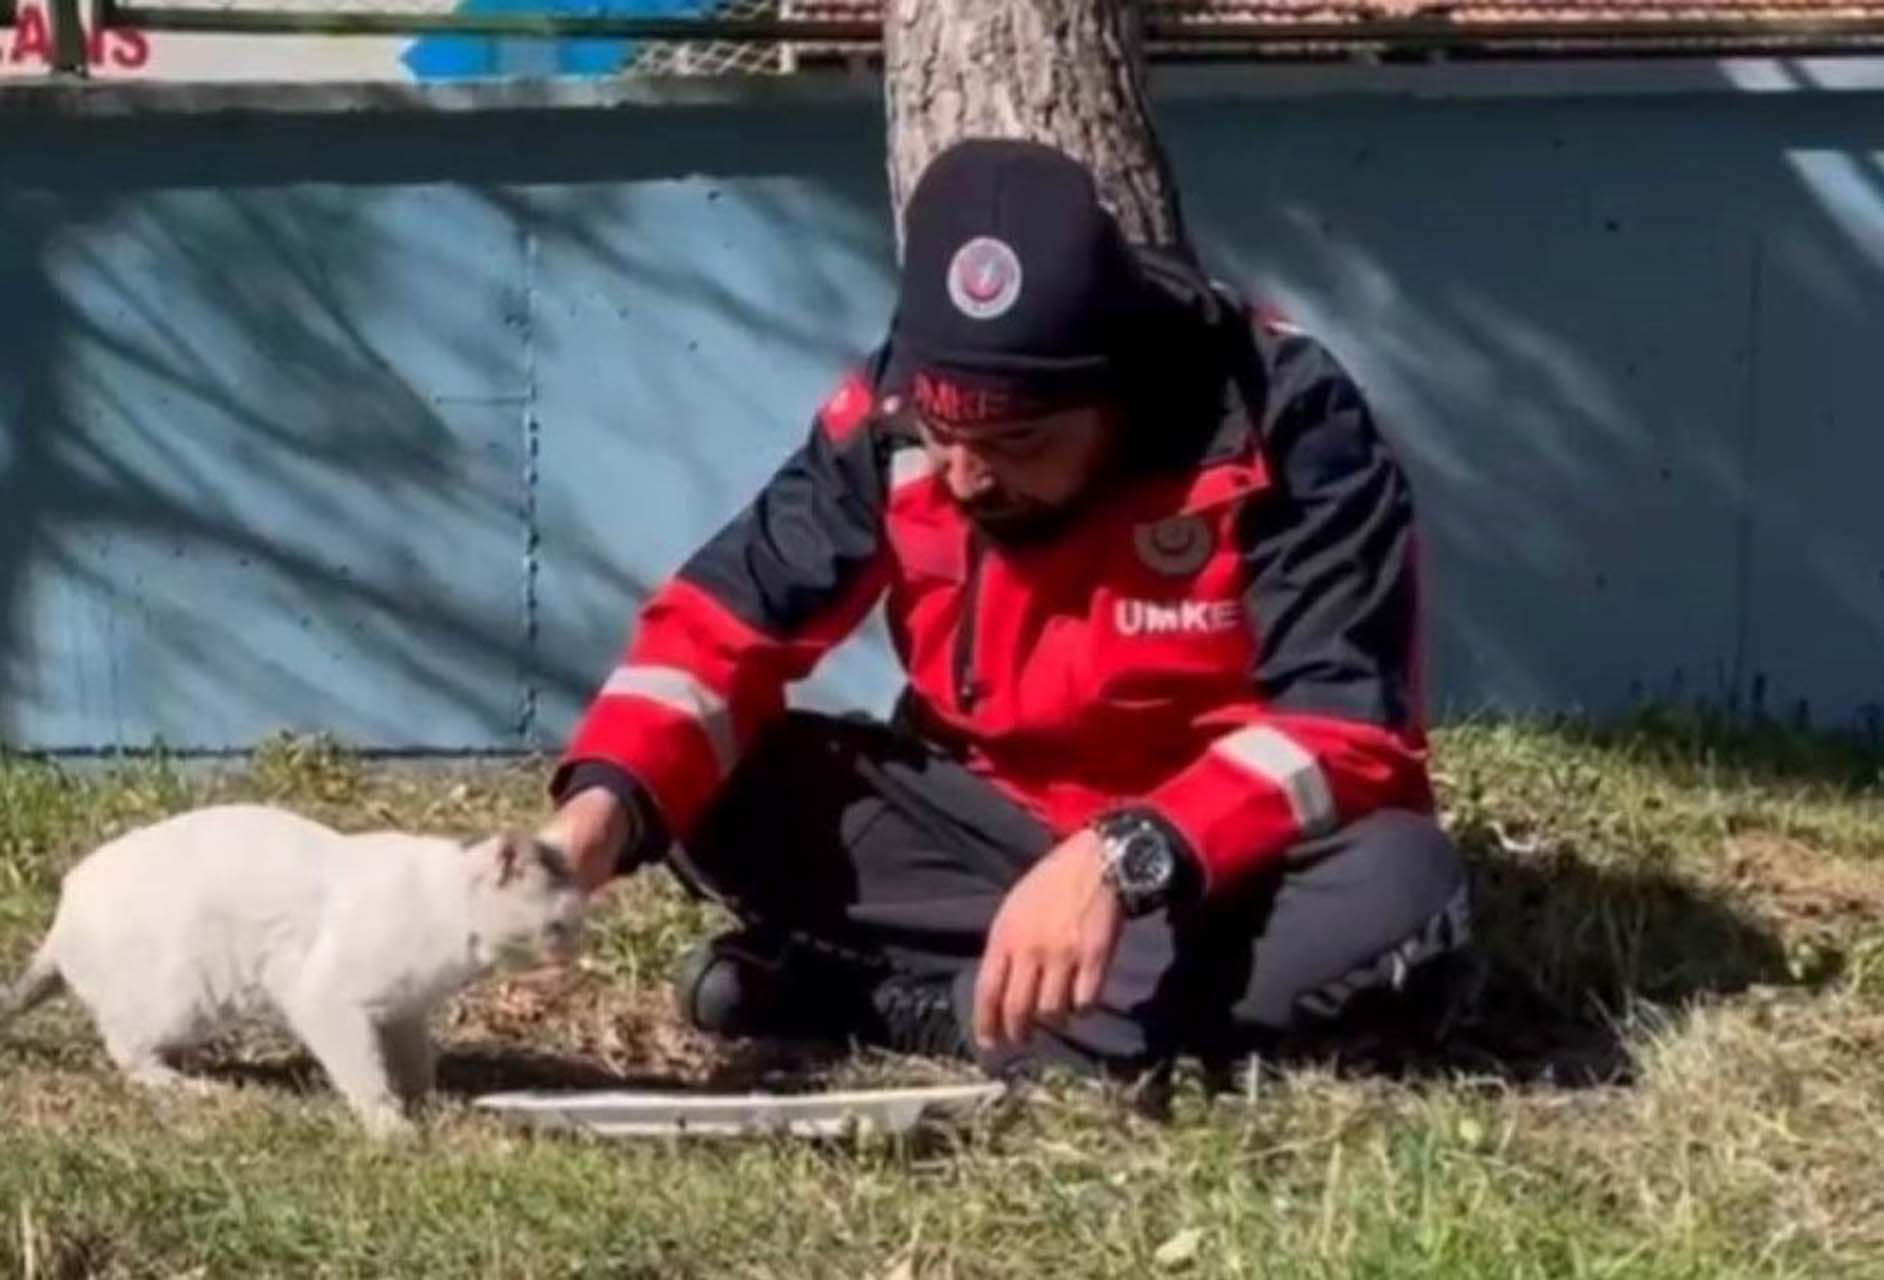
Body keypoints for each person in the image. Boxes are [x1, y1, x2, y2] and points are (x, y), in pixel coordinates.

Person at [537, 137, 1473, 1080]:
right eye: (941, 434)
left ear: (1112, 386)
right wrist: (598, 812)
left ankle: (907, 1008)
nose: (966, 474)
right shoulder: (891, 417)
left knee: (1400, 887)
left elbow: (1345, 731)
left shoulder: (1288, 416)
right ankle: (1064, 1005)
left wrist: (1127, 855)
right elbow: (726, 624)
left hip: (1216, 863)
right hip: (988, 833)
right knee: (713, 780)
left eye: (1017, 441)